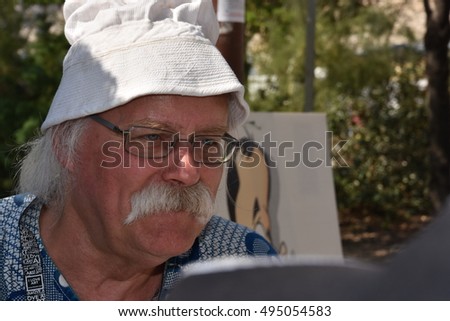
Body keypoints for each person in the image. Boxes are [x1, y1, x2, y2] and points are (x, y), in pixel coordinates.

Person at [0, 0, 276, 301]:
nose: (188, 171)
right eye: (153, 139)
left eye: (208, 143)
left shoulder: (245, 266)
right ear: (67, 145)